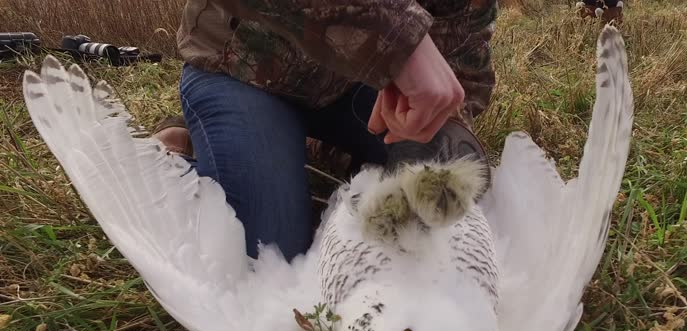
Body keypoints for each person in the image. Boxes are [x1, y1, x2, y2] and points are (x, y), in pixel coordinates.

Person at [152, 0, 497, 260]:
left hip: (352, 82)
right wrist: (399, 41)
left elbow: (462, 59)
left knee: (448, 189)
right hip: (239, 72)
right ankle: (182, 151)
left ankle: (316, 144)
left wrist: (436, 136)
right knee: (266, 252)